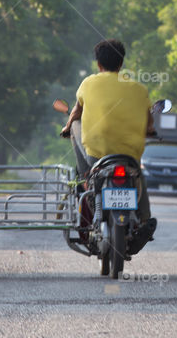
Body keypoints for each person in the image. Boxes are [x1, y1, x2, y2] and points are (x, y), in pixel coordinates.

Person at [60, 39, 157, 243]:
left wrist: (67, 127)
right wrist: (150, 130)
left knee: (76, 125)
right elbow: (149, 121)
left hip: (96, 153)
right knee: (138, 175)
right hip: (129, 154)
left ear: (99, 64)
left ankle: (85, 173)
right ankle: (145, 219)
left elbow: (76, 111)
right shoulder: (139, 89)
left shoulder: (88, 83)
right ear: (121, 64)